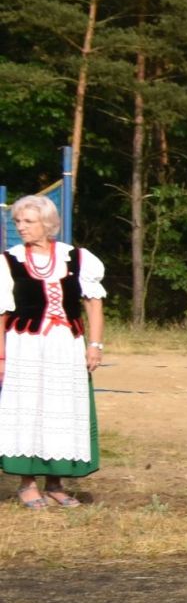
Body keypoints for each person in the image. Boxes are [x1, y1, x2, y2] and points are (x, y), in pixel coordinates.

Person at [0, 195, 107, 507]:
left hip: (65, 345)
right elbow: (2, 313)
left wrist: (95, 345)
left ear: (47, 224)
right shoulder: (8, 262)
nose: (21, 227)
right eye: (17, 221)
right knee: (28, 409)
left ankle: (56, 484)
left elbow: (93, 304)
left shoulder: (77, 258)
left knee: (63, 408)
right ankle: (27, 484)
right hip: (26, 345)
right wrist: (1, 356)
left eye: (28, 221)